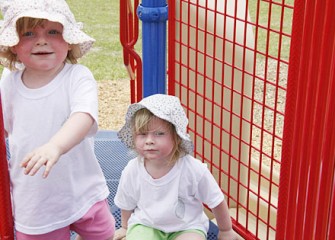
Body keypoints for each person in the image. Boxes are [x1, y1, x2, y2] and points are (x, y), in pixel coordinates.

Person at [0, 0, 115, 239]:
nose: (42, 40)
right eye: (29, 33)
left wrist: (55, 146)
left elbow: (83, 116)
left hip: (83, 191)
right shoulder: (9, 82)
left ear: (69, 40)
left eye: (53, 31)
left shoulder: (77, 77)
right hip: (35, 199)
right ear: (13, 45)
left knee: (103, 235)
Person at [114, 94, 239, 240]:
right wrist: (125, 227)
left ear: (177, 136)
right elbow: (126, 201)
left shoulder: (193, 169)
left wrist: (225, 230)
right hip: (146, 224)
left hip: (187, 227)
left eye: (159, 134)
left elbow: (216, 200)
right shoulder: (133, 169)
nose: (149, 141)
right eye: (142, 134)